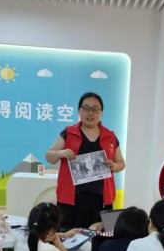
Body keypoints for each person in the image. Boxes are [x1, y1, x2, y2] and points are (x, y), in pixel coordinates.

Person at [45, 92, 125, 229]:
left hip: (101, 199)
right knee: (69, 235)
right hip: (71, 199)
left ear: (101, 113)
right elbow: (49, 156)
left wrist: (114, 166)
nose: (90, 113)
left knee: (101, 236)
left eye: (95, 109)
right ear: (79, 111)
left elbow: (121, 163)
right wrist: (61, 153)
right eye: (86, 108)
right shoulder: (69, 133)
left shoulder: (110, 136)